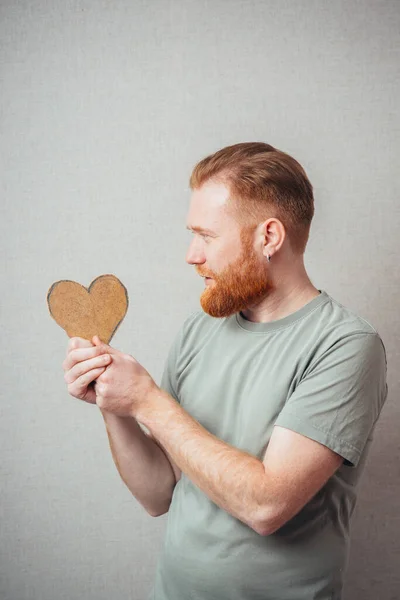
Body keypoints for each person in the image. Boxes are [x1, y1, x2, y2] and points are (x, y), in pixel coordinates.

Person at [62, 142, 388, 600]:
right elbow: (158, 495)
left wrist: (148, 400)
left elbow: (268, 505)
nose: (192, 255)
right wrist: (113, 403)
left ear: (268, 237)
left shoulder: (345, 346)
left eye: (207, 236)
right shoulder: (200, 329)